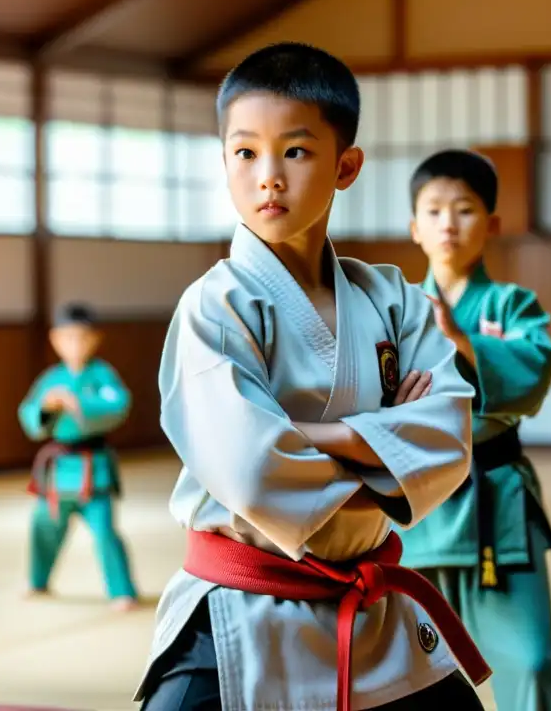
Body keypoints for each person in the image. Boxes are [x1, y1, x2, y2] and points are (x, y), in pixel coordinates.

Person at [134, 41, 492, 711]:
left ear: (345, 166)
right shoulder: (215, 307)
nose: (268, 175)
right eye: (245, 152)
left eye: (295, 151)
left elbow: (449, 437)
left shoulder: (392, 298)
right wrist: (386, 458)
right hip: (244, 608)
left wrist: (303, 432)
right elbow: (246, 470)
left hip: (372, 611)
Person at [401, 149, 551, 711]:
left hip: (494, 505)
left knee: (532, 661)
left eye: (464, 210)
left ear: (492, 224)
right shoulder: (395, 307)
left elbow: (532, 377)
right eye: (433, 211)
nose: (448, 224)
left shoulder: (512, 304)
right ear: (414, 227)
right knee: (407, 670)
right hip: (416, 508)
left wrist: (458, 339)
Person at [17, 302, 139, 610]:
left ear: (95, 339)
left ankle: (122, 590)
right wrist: (47, 409)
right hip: (58, 471)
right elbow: (29, 413)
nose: (74, 344)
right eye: (67, 337)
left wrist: (78, 403)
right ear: (55, 339)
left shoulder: (102, 374)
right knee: (43, 526)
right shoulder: (51, 379)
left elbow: (118, 405)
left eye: (81, 337)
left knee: (104, 532)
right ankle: (37, 580)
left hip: (92, 467)